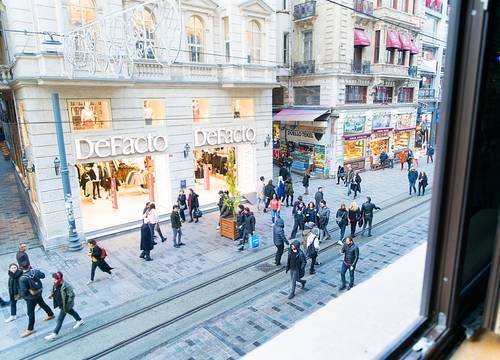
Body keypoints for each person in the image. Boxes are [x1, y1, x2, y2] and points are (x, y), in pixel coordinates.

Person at [44, 272, 84, 341]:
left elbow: (72, 295)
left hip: (65, 305)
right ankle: (80, 320)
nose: (53, 281)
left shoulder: (66, 286)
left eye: (54, 279)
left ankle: (54, 334)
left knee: (59, 319)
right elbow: (54, 291)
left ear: (59, 279)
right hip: (61, 304)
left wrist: (67, 304)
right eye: (53, 279)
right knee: (72, 312)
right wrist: (50, 295)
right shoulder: (56, 284)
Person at [19, 262, 55, 337]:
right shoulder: (34, 271)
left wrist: (25, 296)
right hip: (38, 292)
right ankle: (50, 314)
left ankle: (30, 329)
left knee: (30, 313)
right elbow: (43, 276)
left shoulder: (22, 278)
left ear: (21, 268)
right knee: (42, 304)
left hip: (30, 298)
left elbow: (24, 291)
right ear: (29, 266)